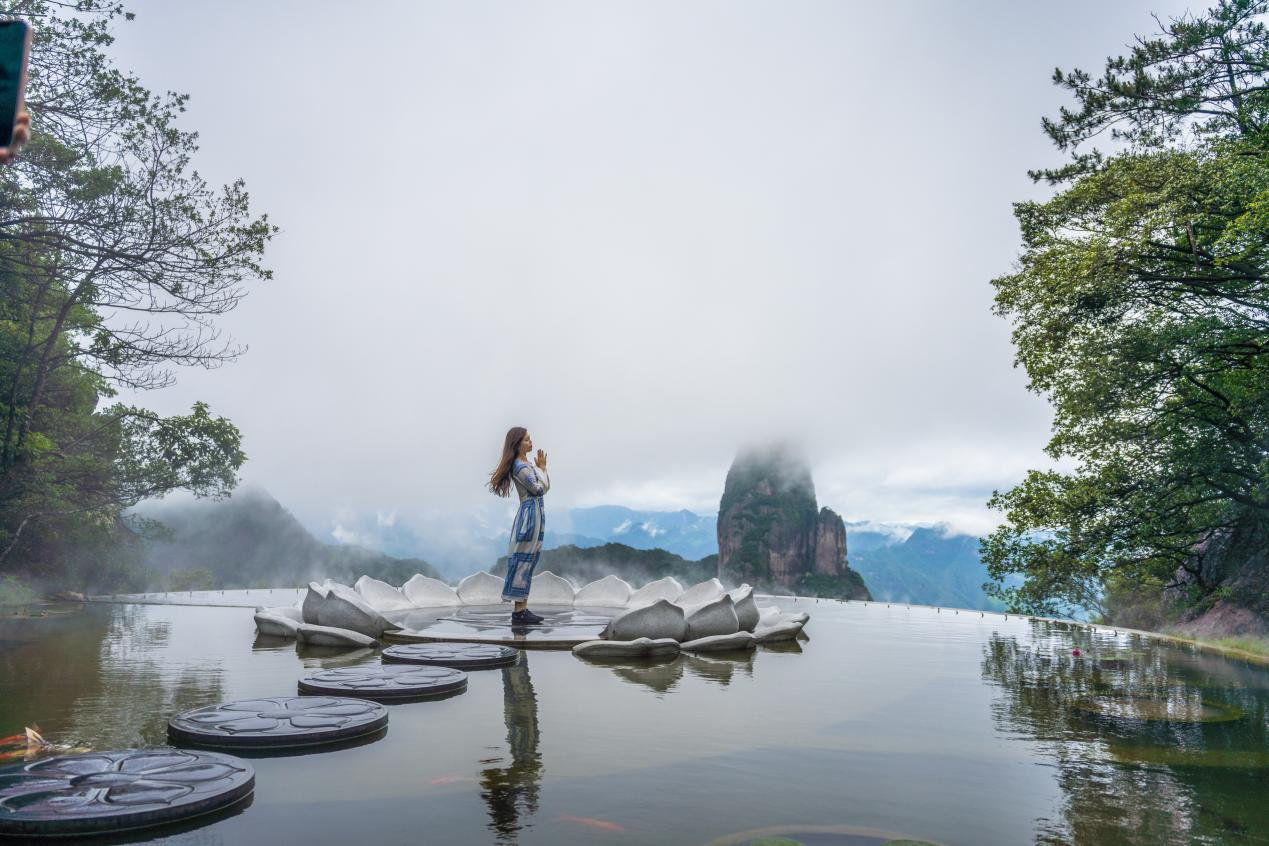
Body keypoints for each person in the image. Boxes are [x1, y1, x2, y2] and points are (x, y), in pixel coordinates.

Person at [488, 426, 549, 625]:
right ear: (517, 444)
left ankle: (522, 608)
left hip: (535, 515)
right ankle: (519, 611)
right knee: (523, 560)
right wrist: (542, 469)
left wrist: (538, 469)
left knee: (529, 560)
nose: (531, 442)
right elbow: (539, 489)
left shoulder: (525, 464)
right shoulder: (520, 467)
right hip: (529, 517)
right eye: (527, 440)